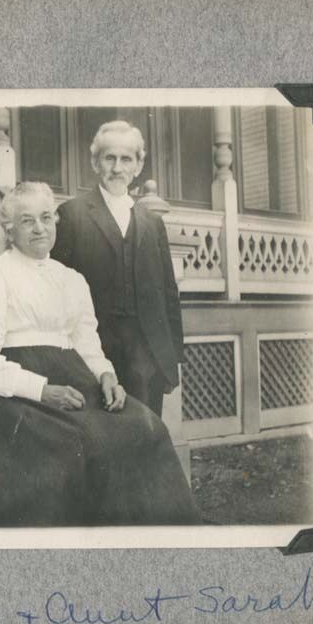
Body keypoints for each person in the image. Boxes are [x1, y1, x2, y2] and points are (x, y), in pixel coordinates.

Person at [0, 181, 199, 527]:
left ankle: (155, 537)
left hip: (73, 377)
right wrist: (42, 390)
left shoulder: (72, 280)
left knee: (149, 429)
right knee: (86, 442)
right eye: (27, 221)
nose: (39, 228)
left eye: (46, 218)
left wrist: (107, 375)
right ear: (9, 230)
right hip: (15, 397)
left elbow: (86, 343)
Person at [51, 120, 183, 417]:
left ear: (138, 166)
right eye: (109, 158)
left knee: (146, 432)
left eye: (126, 159)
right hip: (94, 351)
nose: (117, 168)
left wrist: (171, 357)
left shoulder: (152, 222)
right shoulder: (72, 215)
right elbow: (56, 293)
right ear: (95, 163)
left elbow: (168, 292)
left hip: (147, 353)